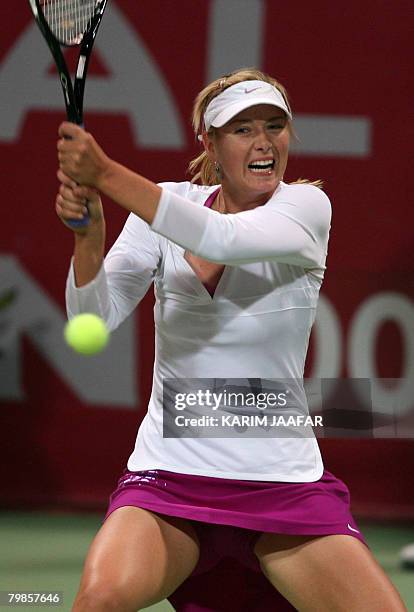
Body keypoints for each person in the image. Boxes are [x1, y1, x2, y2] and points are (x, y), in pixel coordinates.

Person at [56, 68, 406, 611]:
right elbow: (90, 325)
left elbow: (220, 237)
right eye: (242, 130)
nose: (264, 141)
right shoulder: (165, 206)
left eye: (274, 125)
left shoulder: (307, 208)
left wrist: (102, 172)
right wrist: (88, 239)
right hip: (169, 481)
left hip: (282, 486)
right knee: (98, 601)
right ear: (211, 144)